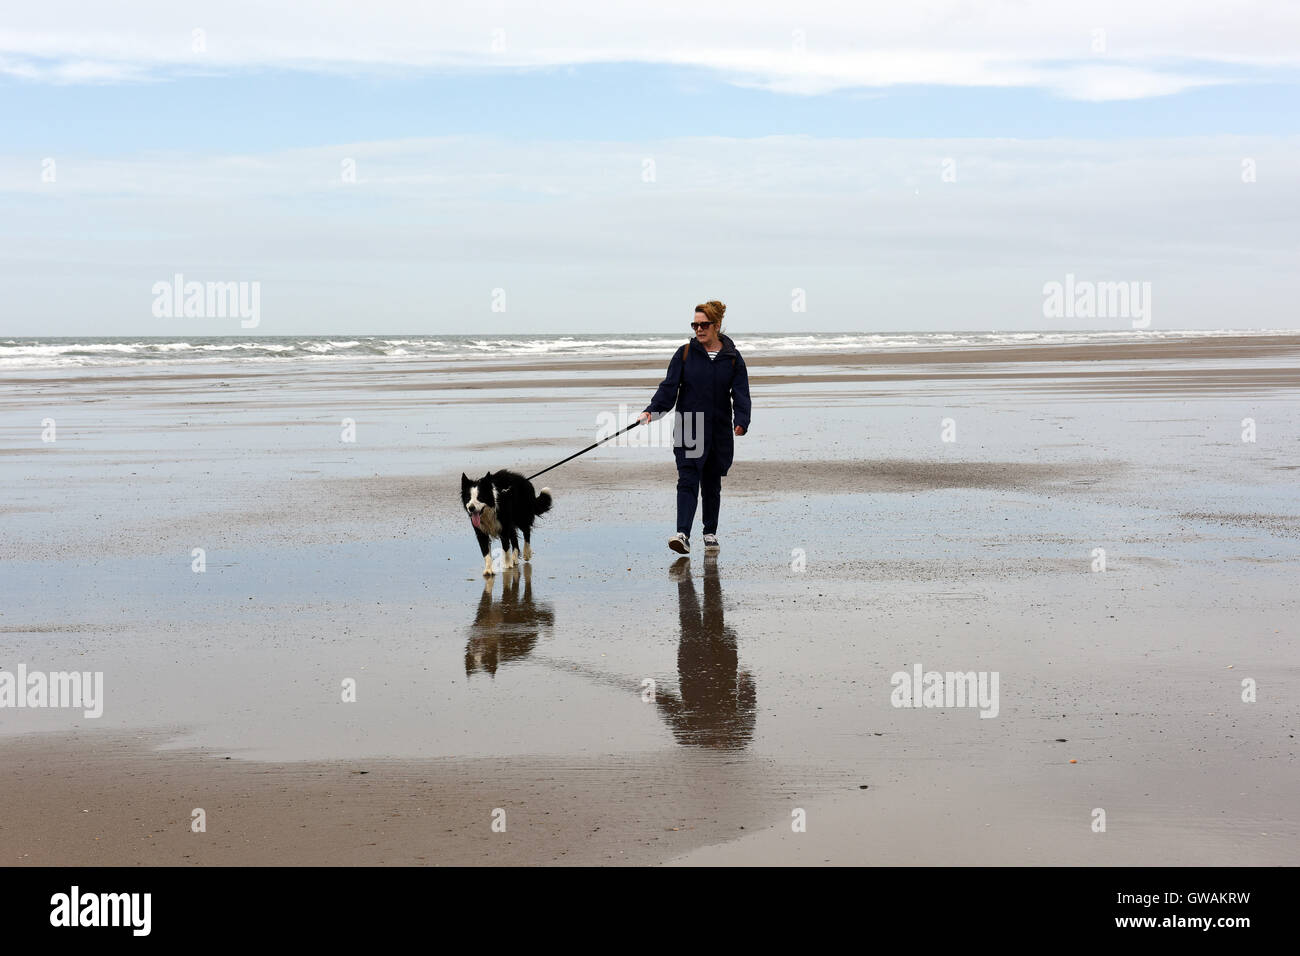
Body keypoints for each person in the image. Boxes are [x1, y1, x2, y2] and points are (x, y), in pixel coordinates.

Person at [638, 300, 751, 554]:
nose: (699, 329)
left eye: (704, 324)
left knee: (711, 483)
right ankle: (683, 534)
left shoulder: (732, 357)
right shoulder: (685, 353)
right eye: (695, 324)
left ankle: (710, 532)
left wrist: (742, 420)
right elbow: (669, 388)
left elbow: (741, 392)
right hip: (690, 426)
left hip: (719, 429)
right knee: (687, 479)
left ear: (717, 325)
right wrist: (651, 411)